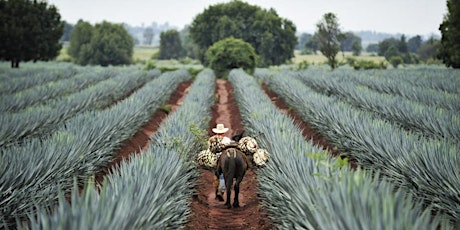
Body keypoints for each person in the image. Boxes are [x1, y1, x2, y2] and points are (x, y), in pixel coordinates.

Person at [210, 123, 231, 201]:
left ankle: (217, 192)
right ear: (224, 133)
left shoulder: (212, 140)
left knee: (216, 177)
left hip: (214, 161)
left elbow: (209, 150)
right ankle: (220, 191)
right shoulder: (227, 140)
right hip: (225, 161)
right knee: (223, 177)